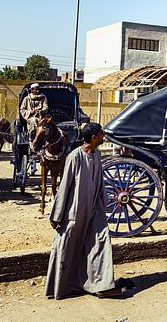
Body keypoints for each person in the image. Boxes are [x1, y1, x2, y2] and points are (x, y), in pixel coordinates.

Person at [46, 123, 122, 299]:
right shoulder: (75, 156)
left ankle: (102, 285)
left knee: (101, 241)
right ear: (94, 136)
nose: (104, 137)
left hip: (94, 208)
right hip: (75, 211)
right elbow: (64, 187)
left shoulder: (97, 155)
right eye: (102, 134)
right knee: (69, 248)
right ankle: (64, 286)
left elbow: (100, 181)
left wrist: (104, 205)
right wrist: (57, 214)